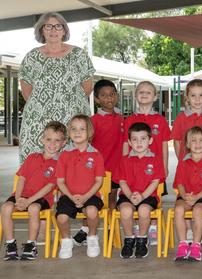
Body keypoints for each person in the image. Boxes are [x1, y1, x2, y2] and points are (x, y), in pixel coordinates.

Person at [18, 12, 95, 163]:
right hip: (38, 121)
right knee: (36, 164)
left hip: (71, 119)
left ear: (64, 30)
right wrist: (44, 107)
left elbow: (87, 87)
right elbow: (27, 92)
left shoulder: (79, 55)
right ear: (41, 30)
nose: (54, 30)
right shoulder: (31, 57)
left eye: (58, 26)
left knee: (73, 163)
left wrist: (67, 104)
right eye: (48, 26)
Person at [1, 121, 66, 261]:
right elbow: (21, 179)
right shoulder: (32, 158)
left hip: (42, 198)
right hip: (21, 196)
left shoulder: (60, 164)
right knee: (5, 208)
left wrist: (28, 201)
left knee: (34, 209)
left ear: (64, 143)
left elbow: (49, 187)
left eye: (57, 140)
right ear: (42, 139)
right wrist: (18, 199)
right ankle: (11, 244)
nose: (52, 144)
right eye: (49, 139)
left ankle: (31, 245)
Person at [122, 80, 170, 246]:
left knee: (153, 198)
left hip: (154, 170)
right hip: (135, 167)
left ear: (155, 96)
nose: (144, 94)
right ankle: (136, 227)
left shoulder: (160, 120)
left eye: (148, 92)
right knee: (134, 194)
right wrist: (125, 161)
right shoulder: (129, 120)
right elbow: (124, 143)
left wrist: (165, 166)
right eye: (140, 92)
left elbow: (164, 145)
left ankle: (153, 228)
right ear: (135, 96)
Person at [55, 115, 105, 259]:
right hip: (68, 196)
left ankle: (92, 238)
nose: (77, 132)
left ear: (89, 132)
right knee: (62, 217)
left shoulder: (96, 155)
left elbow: (98, 181)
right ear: (69, 133)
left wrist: (85, 197)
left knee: (91, 211)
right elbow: (60, 182)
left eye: (82, 129)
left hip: (90, 196)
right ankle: (66, 241)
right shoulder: (64, 155)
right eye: (73, 129)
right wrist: (71, 197)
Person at [114, 122, 164, 259]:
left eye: (143, 138)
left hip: (148, 196)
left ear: (150, 140)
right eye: (134, 139)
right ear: (129, 142)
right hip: (127, 195)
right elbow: (122, 181)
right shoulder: (124, 160)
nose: (139, 142)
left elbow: (155, 182)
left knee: (143, 210)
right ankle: (129, 239)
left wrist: (142, 196)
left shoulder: (156, 160)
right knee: (125, 210)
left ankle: (142, 239)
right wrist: (130, 195)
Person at [172, 127, 202, 262]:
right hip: (186, 195)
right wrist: (185, 196)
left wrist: (197, 198)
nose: (198, 144)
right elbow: (179, 183)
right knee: (178, 209)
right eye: (193, 141)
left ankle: (196, 245)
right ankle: (182, 244)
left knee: (198, 210)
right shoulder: (182, 163)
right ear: (187, 144)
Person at [90, 79, 123, 211]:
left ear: (117, 96)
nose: (109, 98)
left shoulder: (122, 118)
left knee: (112, 198)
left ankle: (110, 229)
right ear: (97, 99)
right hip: (100, 169)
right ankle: (86, 228)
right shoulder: (93, 121)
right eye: (104, 95)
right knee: (93, 199)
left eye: (112, 94)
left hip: (117, 168)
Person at [171, 78, 202, 160]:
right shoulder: (180, 118)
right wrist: (181, 161)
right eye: (193, 95)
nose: (197, 99)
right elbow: (177, 142)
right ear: (187, 97)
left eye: (201, 95)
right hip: (186, 162)